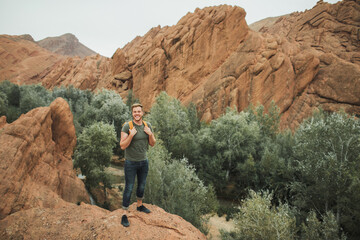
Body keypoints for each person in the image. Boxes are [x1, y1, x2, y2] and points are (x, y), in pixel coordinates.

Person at [119, 103, 156, 227]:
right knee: (129, 187)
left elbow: (152, 144)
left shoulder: (147, 125)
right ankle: (124, 214)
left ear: (142, 113)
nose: (137, 113)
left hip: (143, 162)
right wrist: (131, 135)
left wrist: (150, 134)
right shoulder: (127, 126)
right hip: (130, 163)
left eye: (139, 111)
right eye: (135, 111)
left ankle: (139, 206)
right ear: (132, 113)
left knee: (141, 185)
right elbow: (122, 145)